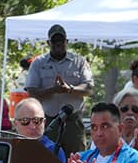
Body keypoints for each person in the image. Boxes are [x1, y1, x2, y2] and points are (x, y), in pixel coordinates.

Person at [24, 24, 93, 152]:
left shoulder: (79, 62)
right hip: (48, 121)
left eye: (61, 40)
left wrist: (69, 89)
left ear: (66, 41)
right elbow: (31, 92)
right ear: (48, 42)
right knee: (47, 161)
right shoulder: (38, 63)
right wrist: (52, 90)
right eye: (54, 41)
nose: (58, 43)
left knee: (76, 160)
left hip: (73, 121)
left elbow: (89, 88)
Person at [12, 96, 68, 161]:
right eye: (25, 120)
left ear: (44, 122)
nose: (32, 127)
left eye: (37, 120)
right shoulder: (9, 147)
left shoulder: (53, 150)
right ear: (15, 124)